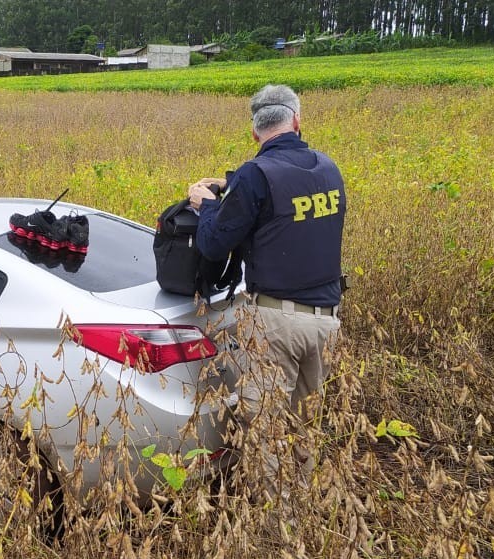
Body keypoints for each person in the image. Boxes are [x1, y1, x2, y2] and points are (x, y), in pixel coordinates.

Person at [186, 84, 345, 494]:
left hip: (276, 324)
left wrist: (207, 204)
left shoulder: (257, 176)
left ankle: (275, 525)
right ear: (297, 120)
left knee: (267, 430)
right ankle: (304, 504)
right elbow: (288, 200)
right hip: (327, 324)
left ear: (255, 132)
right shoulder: (328, 168)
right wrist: (232, 183)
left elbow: (213, 242)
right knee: (307, 424)